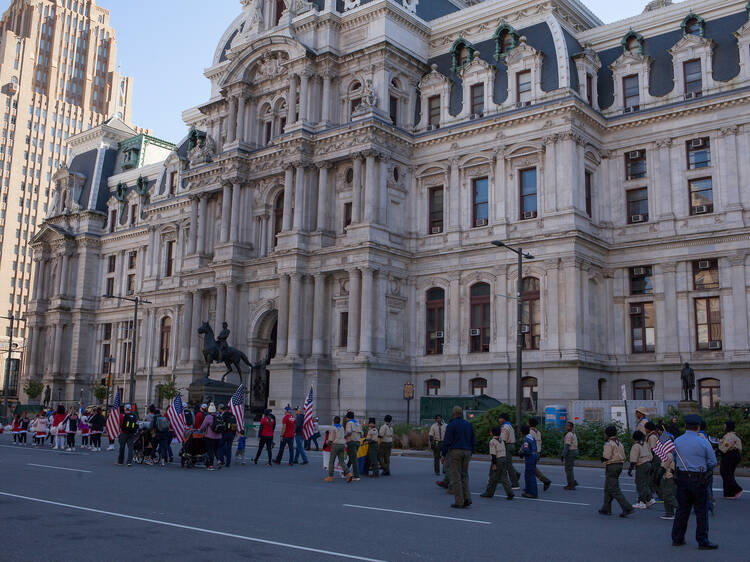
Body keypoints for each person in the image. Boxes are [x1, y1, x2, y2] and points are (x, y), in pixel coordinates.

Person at [671, 414, 718, 549]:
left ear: (686, 426)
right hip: (699, 478)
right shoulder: (703, 442)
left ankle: (677, 538)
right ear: (698, 427)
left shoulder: (677, 441)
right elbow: (712, 462)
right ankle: (702, 540)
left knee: (682, 510)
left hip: (682, 477)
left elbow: (673, 458)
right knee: (701, 511)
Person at [441, 406, 474, 509]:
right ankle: (467, 498)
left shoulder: (451, 425)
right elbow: (473, 439)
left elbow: (447, 441)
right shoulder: (468, 424)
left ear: (454, 414)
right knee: (464, 475)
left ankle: (459, 501)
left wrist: (443, 454)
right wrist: (471, 451)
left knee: (456, 477)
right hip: (467, 451)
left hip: (456, 451)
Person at [599, 425, 634, 517]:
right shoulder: (619, 443)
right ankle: (606, 508)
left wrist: (602, 459)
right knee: (608, 487)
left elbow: (606, 456)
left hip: (612, 466)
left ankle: (627, 508)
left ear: (607, 434)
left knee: (614, 489)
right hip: (619, 465)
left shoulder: (608, 443)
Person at [480, 426, 514, 500]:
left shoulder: (492, 442)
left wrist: (494, 464)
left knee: (492, 477)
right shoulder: (501, 440)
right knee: (504, 477)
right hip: (504, 458)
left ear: (492, 433)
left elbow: (493, 454)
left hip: (497, 460)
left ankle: (489, 493)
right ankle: (510, 492)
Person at [629, 430, 655, 509]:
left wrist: (630, 469)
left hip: (641, 465)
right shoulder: (645, 444)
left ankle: (642, 501)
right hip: (648, 463)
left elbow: (633, 459)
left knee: (640, 484)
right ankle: (648, 499)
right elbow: (651, 455)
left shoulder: (635, 446)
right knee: (646, 483)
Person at [718, 420, 742, 500]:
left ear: (728, 426)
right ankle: (728, 494)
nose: (723, 427)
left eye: (725, 425)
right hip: (732, 455)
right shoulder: (729, 435)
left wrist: (719, 448)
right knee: (728, 473)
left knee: (725, 472)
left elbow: (726, 446)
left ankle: (737, 489)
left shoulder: (730, 436)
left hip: (731, 455)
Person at [324, 416, 353, 483]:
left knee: (331, 461)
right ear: (339, 421)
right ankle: (349, 474)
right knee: (342, 461)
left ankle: (330, 477)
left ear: (334, 421)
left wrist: (327, 443)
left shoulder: (333, 428)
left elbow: (331, 439)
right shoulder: (342, 427)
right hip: (342, 445)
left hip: (335, 445)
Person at [528, 418, 551, 491]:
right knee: (532, 468)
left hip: (532, 452)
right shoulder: (538, 432)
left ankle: (544, 480)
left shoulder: (530, 432)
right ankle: (543, 480)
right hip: (538, 452)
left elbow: (529, 443)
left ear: (529, 424)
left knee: (530, 469)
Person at [498, 413, 520, 489]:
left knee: (508, 465)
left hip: (507, 446)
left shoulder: (504, 427)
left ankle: (515, 483)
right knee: (506, 463)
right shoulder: (509, 425)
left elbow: (503, 440)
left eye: (500, 418)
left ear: (504, 419)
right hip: (511, 445)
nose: (499, 420)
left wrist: (499, 449)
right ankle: (502, 478)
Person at [198, 403, 222, 471]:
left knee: (210, 450)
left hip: (210, 436)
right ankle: (219, 461)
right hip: (218, 436)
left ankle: (211, 465)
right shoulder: (219, 416)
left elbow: (203, 426)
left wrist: (200, 430)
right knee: (216, 450)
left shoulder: (208, 417)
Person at [519, 424, 539, 499]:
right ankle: (528, 490)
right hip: (534, 455)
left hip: (530, 457)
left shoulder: (526, 439)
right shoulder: (531, 437)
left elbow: (526, 450)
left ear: (522, 432)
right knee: (528, 474)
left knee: (530, 475)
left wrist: (521, 453)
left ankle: (533, 493)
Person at [644, 421, 661, 498]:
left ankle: (658, 494)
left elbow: (653, 449)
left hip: (655, 458)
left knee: (653, 476)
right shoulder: (652, 435)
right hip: (654, 457)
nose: (645, 429)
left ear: (648, 429)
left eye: (645, 428)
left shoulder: (652, 437)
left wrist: (650, 460)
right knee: (653, 476)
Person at [345, 411, 362, 481]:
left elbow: (349, 432)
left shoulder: (349, 423)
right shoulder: (357, 423)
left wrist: (343, 436)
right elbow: (362, 433)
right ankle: (345, 472)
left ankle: (356, 476)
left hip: (351, 442)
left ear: (348, 417)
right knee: (352, 458)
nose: (345, 419)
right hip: (358, 441)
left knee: (354, 459)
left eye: (346, 417)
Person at [660, 451, 677, 520]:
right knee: (667, 495)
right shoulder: (671, 453)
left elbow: (664, 466)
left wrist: (659, 474)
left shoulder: (668, 455)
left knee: (668, 495)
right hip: (669, 476)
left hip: (669, 476)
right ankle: (669, 513)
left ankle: (680, 508)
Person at [562, 421, 578, 490]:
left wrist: (563, 455)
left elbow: (567, 446)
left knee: (568, 469)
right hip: (574, 451)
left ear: (571, 427)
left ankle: (570, 485)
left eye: (568, 426)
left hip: (570, 452)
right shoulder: (573, 434)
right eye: (566, 426)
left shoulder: (568, 434)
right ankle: (572, 482)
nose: (566, 427)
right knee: (570, 468)